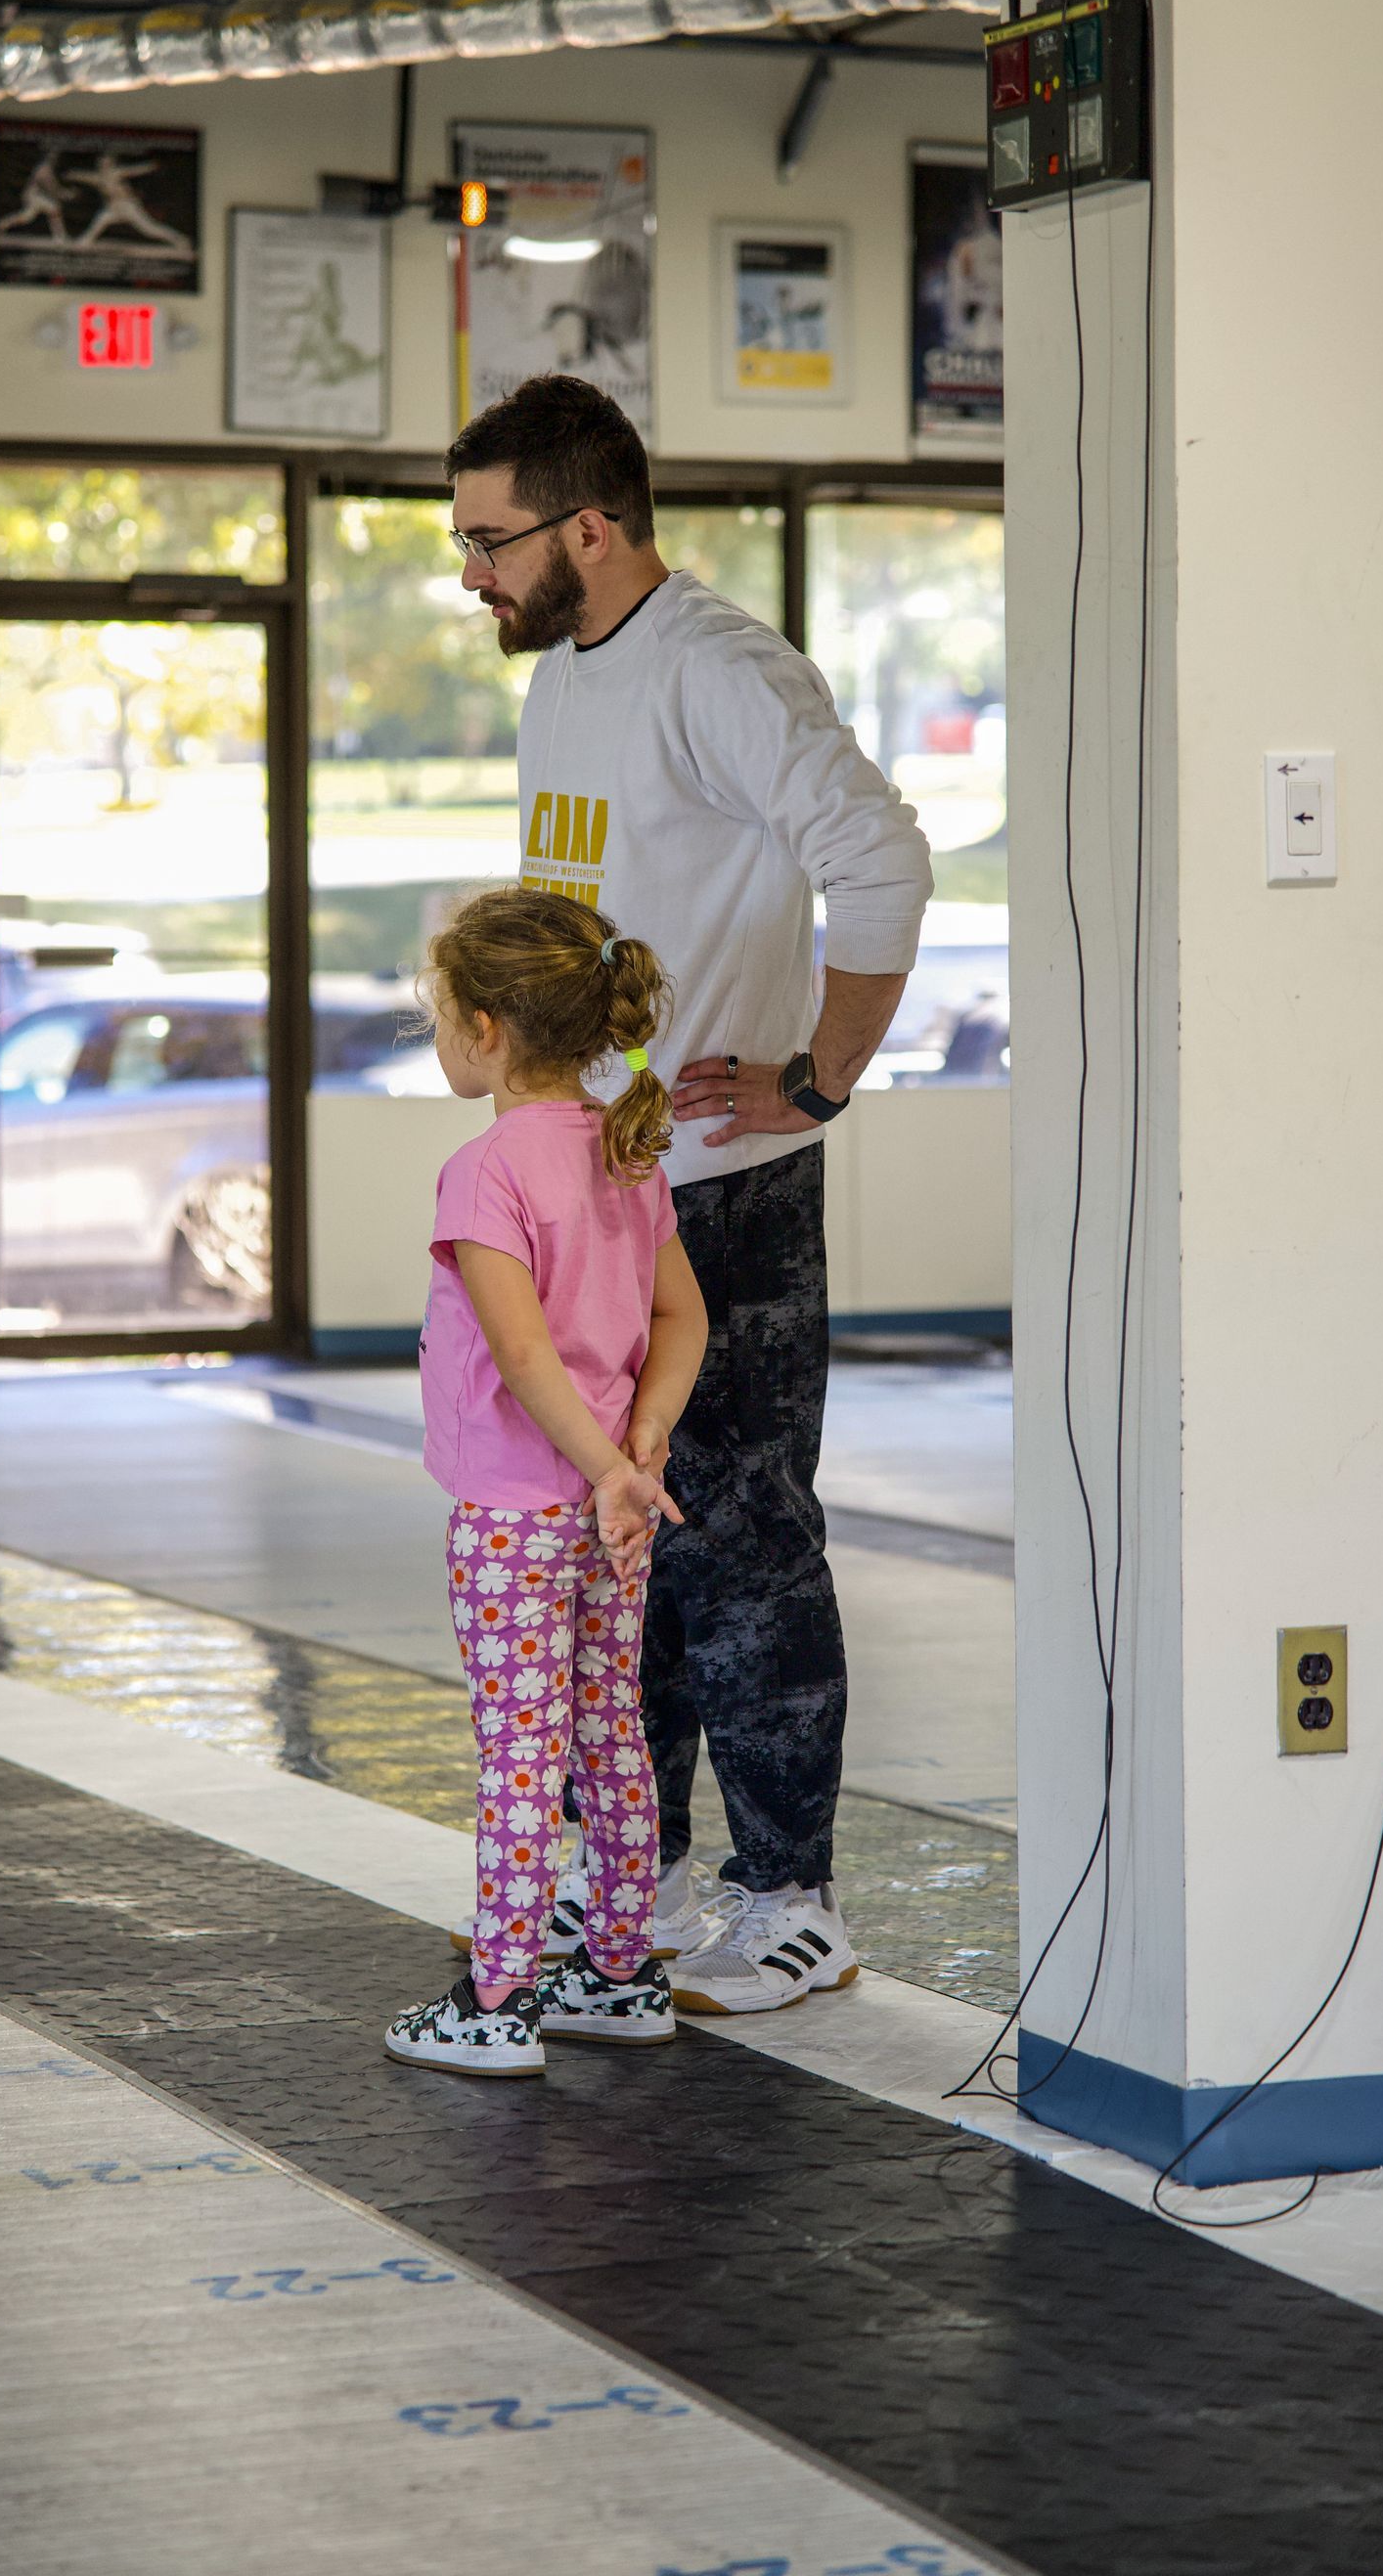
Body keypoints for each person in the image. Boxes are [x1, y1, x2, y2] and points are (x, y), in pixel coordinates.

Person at [445, 375, 933, 2017]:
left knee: (740, 1537)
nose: (471, 574)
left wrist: (816, 1076)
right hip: (600, 1178)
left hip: (722, 1190)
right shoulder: (565, 682)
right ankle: (630, 1868)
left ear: (592, 524)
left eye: (490, 539)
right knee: (612, 1538)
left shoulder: (718, 670)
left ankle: (792, 1899)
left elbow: (881, 861)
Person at [385, 887, 708, 2078]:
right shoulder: (623, 1150)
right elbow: (684, 1316)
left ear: (485, 1031)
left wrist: (604, 1468)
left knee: (519, 1749)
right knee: (610, 1731)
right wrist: (638, 1453)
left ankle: (500, 1994)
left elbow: (522, 1358)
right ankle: (620, 1976)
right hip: (607, 1512)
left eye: (437, 1015)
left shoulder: (485, 1173)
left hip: (518, 1513)